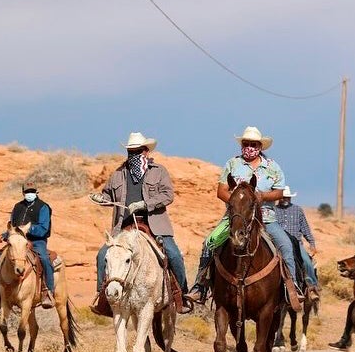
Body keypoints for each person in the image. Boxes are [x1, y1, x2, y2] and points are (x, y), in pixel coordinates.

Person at [184, 126, 301, 307]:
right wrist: (238, 202)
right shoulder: (232, 164)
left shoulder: (272, 167)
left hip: (266, 218)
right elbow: (221, 190)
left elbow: (278, 192)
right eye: (246, 144)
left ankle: (291, 288)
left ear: (260, 146)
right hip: (235, 218)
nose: (249, 147)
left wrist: (262, 197)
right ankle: (200, 287)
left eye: (253, 144)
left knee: (285, 246)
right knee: (209, 243)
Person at [89, 132, 189, 313]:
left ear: (146, 151)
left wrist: (145, 204)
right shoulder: (119, 173)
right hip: (125, 226)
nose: (133, 155)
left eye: (137, 151)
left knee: (173, 254)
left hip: (154, 225)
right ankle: (103, 298)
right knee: (103, 255)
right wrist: (101, 198)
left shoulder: (159, 171)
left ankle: (181, 294)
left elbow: (168, 195)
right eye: (130, 152)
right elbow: (108, 194)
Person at [0, 182, 55, 311]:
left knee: (45, 259)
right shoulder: (17, 207)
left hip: (37, 241)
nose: (30, 194)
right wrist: (5, 235)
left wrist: (28, 230)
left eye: (32, 191)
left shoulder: (43, 207)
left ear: (36, 192)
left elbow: (43, 228)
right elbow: (13, 228)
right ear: (23, 193)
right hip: (16, 241)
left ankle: (48, 292)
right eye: (28, 191)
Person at [274, 185, 319, 299]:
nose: (285, 199)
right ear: (279, 197)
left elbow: (305, 228)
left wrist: (312, 243)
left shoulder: (298, 210)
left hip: (296, 243)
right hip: (277, 243)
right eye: (283, 197)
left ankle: (312, 287)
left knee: (307, 262)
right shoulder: (273, 210)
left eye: (288, 197)